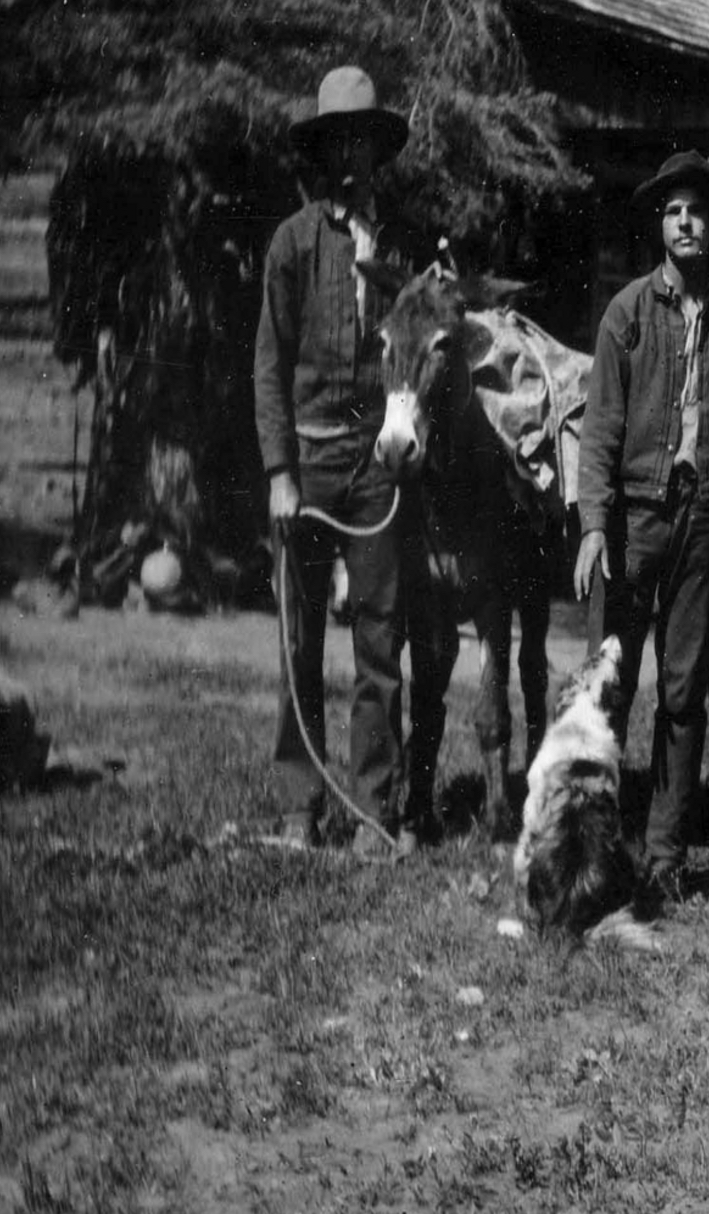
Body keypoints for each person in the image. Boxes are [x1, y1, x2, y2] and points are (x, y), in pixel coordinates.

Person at [255, 65, 441, 856]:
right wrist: (280, 474)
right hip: (310, 466)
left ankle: (373, 809)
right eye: (337, 142)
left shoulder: (402, 244)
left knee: (378, 637)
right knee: (300, 641)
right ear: (320, 152)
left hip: (376, 471)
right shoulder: (293, 243)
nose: (351, 157)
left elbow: (422, 345)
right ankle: (303, 805)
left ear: (378, 151)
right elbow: (269, 361)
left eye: (362, 142)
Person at [573, 150, 709, 896]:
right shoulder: (628, 315)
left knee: (684, 690)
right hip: (634, 522)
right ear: (659, 225)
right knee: (609, 684)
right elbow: (600, 425)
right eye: (673, 211)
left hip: (700, 521)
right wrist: (593, 526)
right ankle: (592, 846)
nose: (686, 221)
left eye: (697, 210)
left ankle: (666, 857)